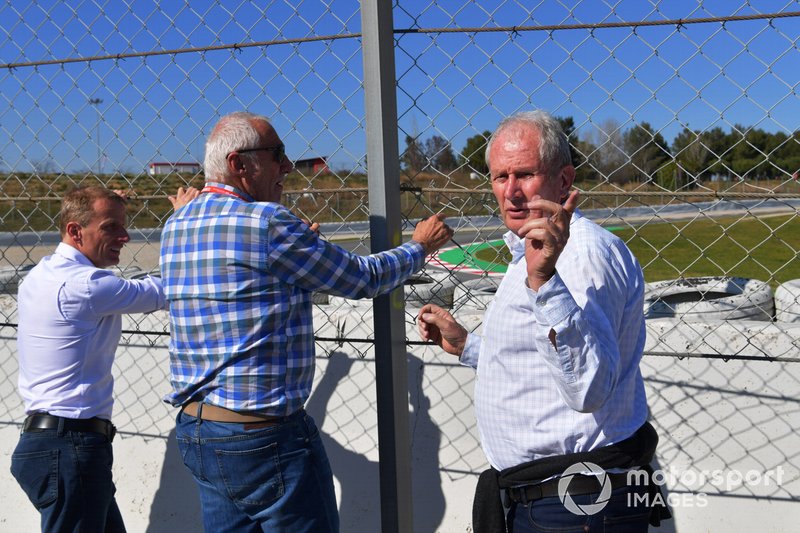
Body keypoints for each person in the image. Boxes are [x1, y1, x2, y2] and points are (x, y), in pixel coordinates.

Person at [159, 111, 453, 533]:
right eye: (276, 154)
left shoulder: (176, 225)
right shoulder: (267, 223)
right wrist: (419, 247)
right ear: (239, 164)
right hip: (263, 437)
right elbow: (361, 279)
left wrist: (300, 249)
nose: (287, 167)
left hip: (199, 429)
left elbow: (243, 293)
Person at [417, 110, 669, 532]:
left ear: (565, 180)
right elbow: (544, 363)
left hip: (577, 500)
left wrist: (545, 280)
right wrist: (468, 346)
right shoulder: (536, 249)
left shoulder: (580, 256)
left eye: (526, 174)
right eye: (500, 177)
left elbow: (588, 387)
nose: (511, 192)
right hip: (555, 496)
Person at [11, 184, 198, 532]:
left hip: (51, 445)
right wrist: (183, 219)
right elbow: (171, 287)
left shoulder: (40, 276)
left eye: (123, 225)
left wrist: (99, 202)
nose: (125, 236)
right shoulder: (87, 286)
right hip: (70, 448)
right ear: (74, 231)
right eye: (111, 227)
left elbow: (82, 214)